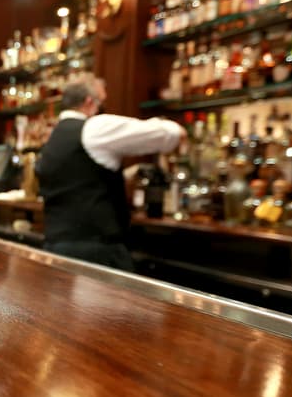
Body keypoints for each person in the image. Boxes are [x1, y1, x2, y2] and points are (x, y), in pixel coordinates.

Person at [34, 78, 182, 271]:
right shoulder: (93, 128)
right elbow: (168, 134)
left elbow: (80, 178)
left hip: (57, 247)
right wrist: (176, 129)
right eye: (103, 102)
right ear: (89, 102)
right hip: (96, 253)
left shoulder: (56, 135)